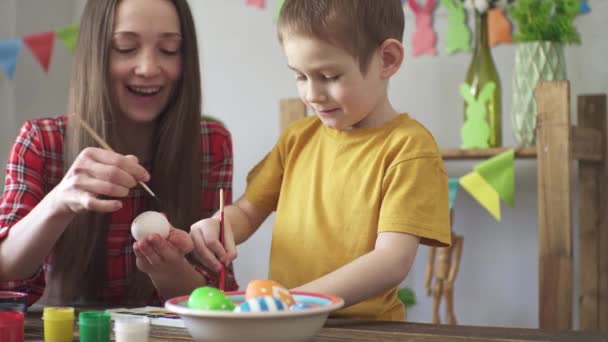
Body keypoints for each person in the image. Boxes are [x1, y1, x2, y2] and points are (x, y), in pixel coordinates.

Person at [190, 0, 450, 321]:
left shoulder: (409, 149)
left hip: (364, 331)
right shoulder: (297, 139)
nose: (312, 94)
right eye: (300, 76)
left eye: (329, 75)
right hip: (288, 325)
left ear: (387, 59)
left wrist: (295, 301)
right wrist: (217, 226)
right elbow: (246, 210)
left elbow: (390, 261)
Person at [0, 0, 237, 307]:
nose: (149, 68)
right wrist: (59, 203)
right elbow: (6, 273)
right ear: (94, 56)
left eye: (168, 49)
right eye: (125, 48)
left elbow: (219, 292)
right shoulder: (42, 141)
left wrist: (170, 272)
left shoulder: (210, 144)